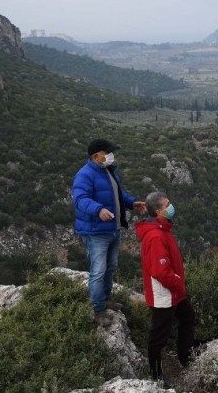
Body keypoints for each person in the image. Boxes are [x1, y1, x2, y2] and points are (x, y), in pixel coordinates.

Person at [72, 139, 146, 327]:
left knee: (111, 266)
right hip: (96, 232)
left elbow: (117, 195)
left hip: (113, 228)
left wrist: (132, 203)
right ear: (95, 156)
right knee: (98, 270)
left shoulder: (108, 171)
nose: (111, 156)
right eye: (107, 153)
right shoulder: (85, 175)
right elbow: (80, 199)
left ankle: (106, 299)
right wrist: (98, 210)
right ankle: (98, 309)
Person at [136, 191, 196, 386]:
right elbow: (160, 271)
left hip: (173, 290)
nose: (171, 207)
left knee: (188, 317)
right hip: (164, 293)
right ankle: (155, 374)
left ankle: (186, 357)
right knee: (159, 335)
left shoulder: (162, 228)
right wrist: (178, 283)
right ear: (158, 211)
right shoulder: (155, 236)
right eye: (167, 204)